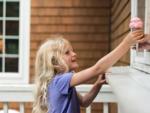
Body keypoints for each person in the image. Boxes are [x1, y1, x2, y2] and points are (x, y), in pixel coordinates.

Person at [32, 30, 143, 113]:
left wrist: (97, 85)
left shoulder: (61, 83)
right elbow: (97, 69)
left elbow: (84, 102)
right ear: (54, 61)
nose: (74, 54)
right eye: (67, 52)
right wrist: (126, 44)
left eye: (72, 50)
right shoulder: (60, 81)